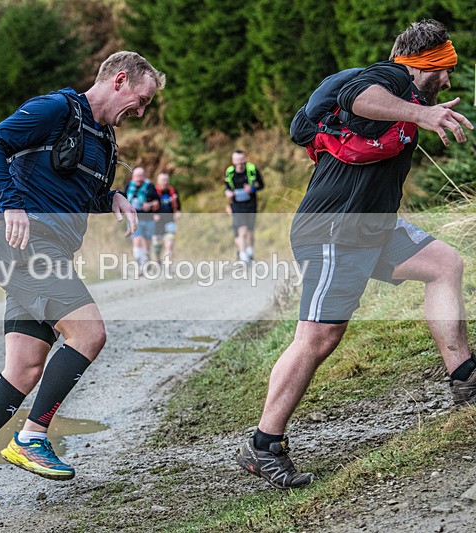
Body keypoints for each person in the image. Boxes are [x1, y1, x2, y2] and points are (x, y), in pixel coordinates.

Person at [236, 19, 475, 490]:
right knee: (320, 335)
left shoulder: (406, 95)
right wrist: (423, 115)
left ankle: (465, 378)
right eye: (442, 69)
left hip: (374, 227)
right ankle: (263, 443)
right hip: (332, 230)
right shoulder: (390, 79)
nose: (447, 79)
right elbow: (358, 97)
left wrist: (420, 113)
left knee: (444, 264)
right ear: (421, 64)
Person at [0, 51, 165, 507]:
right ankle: (31, 436)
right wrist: (10, 203)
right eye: (141, 98)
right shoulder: (57, 109)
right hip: (26, 247)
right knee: (89, 334)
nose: (141, 110)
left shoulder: (106, 141)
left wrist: (111, 198)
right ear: (119, 81)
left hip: (51, 253)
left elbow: (77, 190)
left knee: (23, 370)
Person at [224, 150, 263, 265]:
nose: (239, 162)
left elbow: (261, 185)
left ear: (244, 159)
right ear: (233, 161)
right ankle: (242, 256)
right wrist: (228, 193)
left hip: (251, 204)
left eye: (241, 159)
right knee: (242, 230)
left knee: (250, 230)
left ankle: (249, 251)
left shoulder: (252, 170)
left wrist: (252, 189)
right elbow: (226, 187)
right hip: (237, 205)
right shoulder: (229, 172)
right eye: (236, 160)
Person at [125, 166, 159, 267]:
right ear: (133, 177)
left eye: (140, 176)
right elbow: (124, 200)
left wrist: (150, 205)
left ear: (144, 176)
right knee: (137, 240)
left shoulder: (150, 186)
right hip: (134, 218)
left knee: (147, 243)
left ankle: (146, 261)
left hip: (148, 218)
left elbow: (157, 202)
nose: (138, 178)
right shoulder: (128, 186)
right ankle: (140, 265)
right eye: (136, 176)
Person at [152, 171, 181, 264]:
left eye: (166, 180)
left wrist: (178, 212)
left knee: (169, 244)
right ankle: (157, 259)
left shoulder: (172, 191)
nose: (165, 182)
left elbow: (178, 204)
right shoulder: (153, 191)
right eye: (162, 180)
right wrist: (153, 215)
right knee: (157, 245)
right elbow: (148, 206)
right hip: (157, 222)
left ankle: (168, 265)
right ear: (158, 181)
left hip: (170, 221)